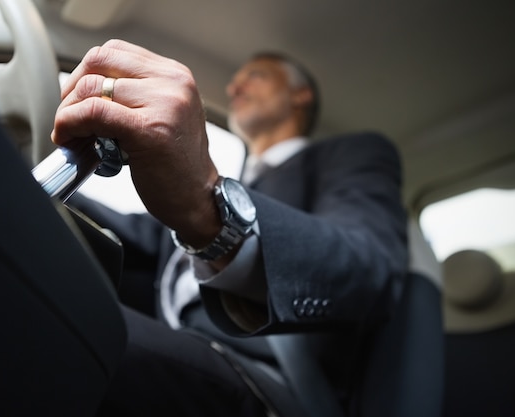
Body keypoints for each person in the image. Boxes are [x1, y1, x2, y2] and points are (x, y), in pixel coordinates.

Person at [58, 40, 408, 416]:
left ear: (300, 94)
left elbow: (369, 269)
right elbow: (130, 233)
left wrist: (207, 206)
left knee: (52, 329)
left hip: (266, 383)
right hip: (178, 349)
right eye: (235, 82)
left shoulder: (349, 155)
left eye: (255, 75)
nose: (234, 88)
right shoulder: (229, 177)